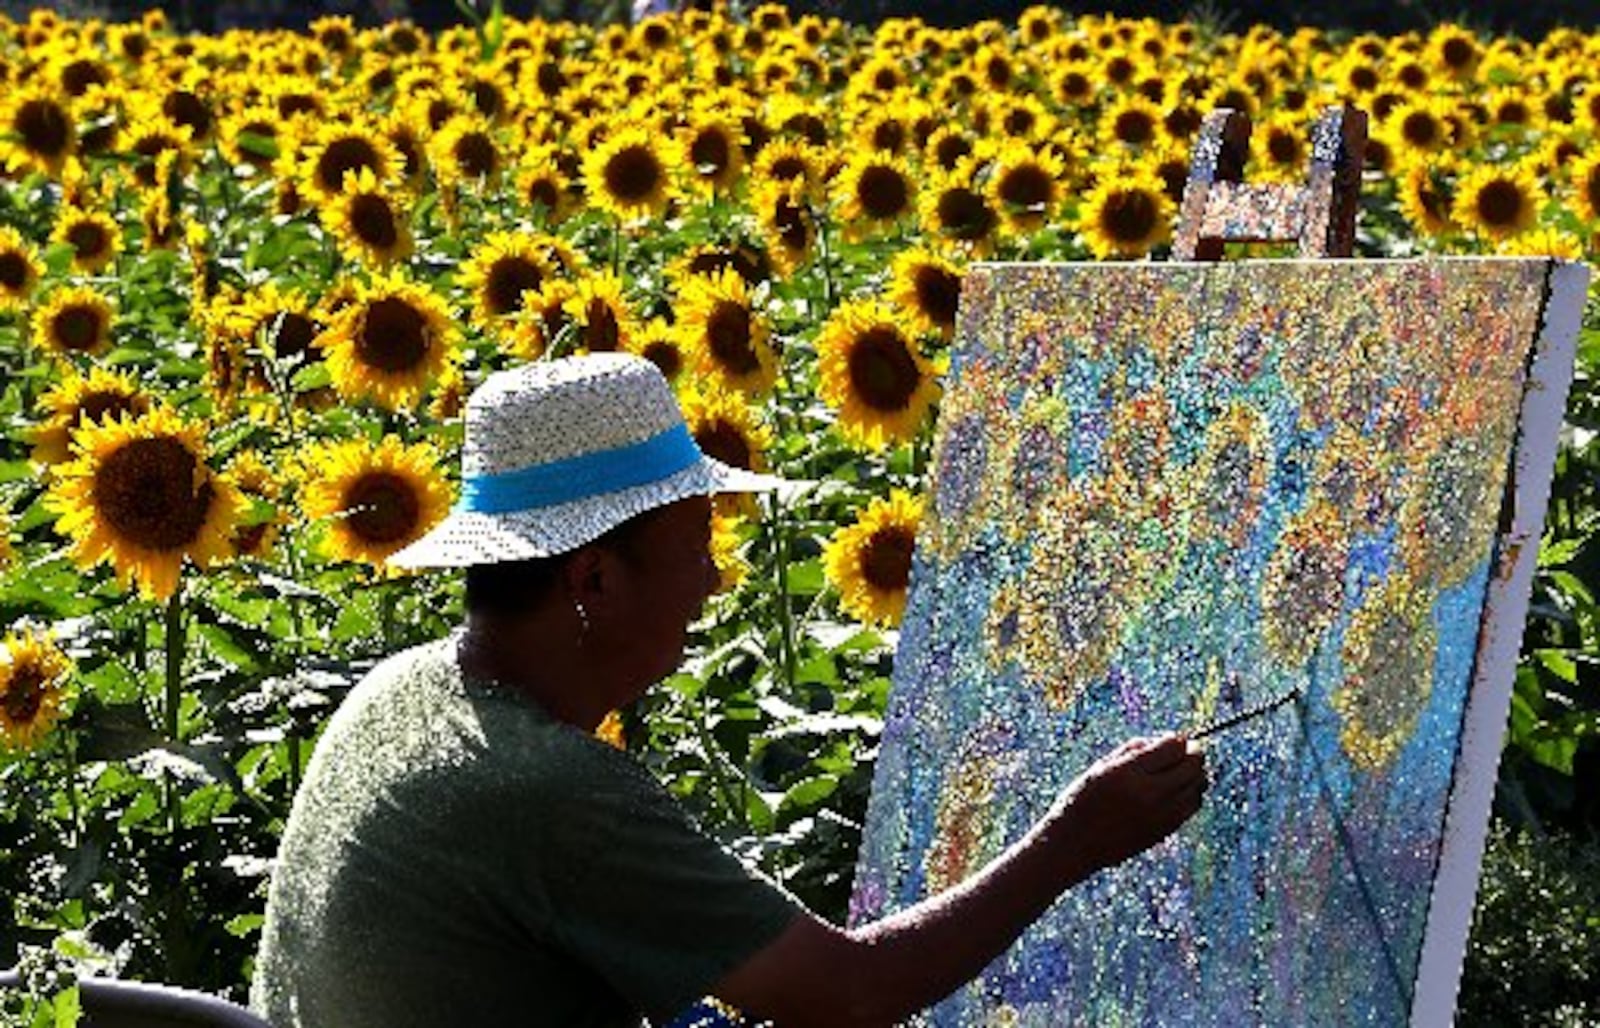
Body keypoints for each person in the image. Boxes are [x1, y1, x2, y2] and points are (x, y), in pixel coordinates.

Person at [249, 353, 1208, 1027]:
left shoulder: (404, 689)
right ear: (592, 579)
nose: (715, 581)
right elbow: (850, 996)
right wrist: (1075, 838)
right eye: (697, 546)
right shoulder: (543, 787)